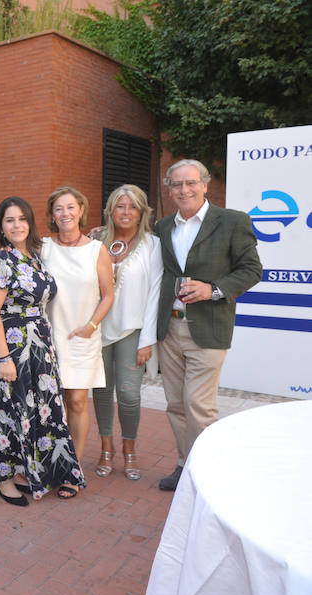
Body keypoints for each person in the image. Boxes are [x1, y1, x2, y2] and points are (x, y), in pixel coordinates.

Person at [154, 159, 262, 491]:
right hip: (169, 329)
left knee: (198, 405)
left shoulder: (232, 222)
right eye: (176, 184)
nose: (183, 190)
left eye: (190, 183)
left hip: (209, 326)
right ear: (169, 189)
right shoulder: (162, 227)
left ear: (205, 184)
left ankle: (206, 474)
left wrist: (212, 289)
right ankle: (186, 465)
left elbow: (251, 270)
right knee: (175, 404)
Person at [0, 197, 85, 504]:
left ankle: (28, 469)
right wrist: (5, 358)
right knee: (9, 412)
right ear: (1, 225)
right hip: (5, 345)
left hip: (37, 344)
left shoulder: (34, 257)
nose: (17, 225)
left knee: (37, 411)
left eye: (22, 219)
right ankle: (5, 479)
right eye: (10, 220)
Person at [41, 186, 114, 498]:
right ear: (52, 215)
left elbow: (109, 294)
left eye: (70, 207)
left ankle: (72, 467)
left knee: (77, 401)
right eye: (59, 209)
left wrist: (92, 325)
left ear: (81, 211)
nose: (65, 214)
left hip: (82, 334)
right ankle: (44, 464)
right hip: (47, 335)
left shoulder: (97, 249)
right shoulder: (42, 246)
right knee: (46, 405)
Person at [90, 185, 162, 481]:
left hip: (133, 330)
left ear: (142, 212)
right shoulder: (95, 242)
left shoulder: (153, 245)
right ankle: (106, 449)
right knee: (102, 393)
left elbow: (156, 292)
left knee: (130, 395)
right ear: (110, 211)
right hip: (98, 330)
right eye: (120, 206)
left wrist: (148, 339)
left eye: (133, 207)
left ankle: (129, 450)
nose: (126, 212)